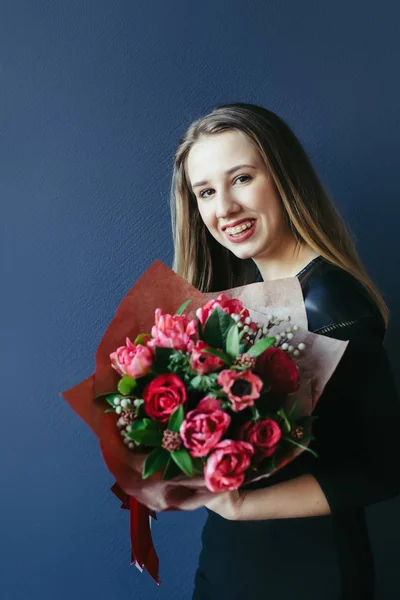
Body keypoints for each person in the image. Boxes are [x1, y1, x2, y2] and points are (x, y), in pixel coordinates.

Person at [101, 103, 400, 600]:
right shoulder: (232, 304)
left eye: (241, 178)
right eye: (206, 192)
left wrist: (241, 507)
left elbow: (384, 469)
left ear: (283, 177)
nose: (225, 208)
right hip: (228, 565)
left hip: (309, 575)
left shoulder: (332, 300)